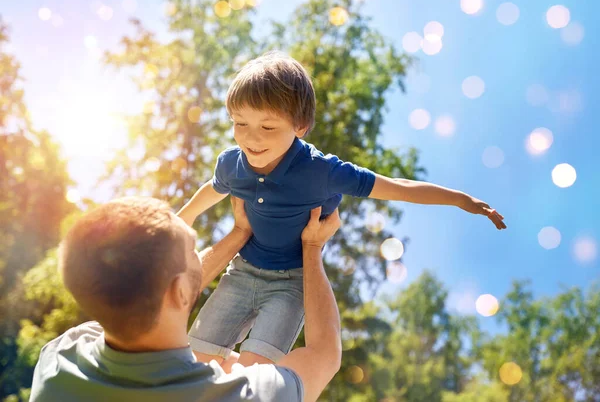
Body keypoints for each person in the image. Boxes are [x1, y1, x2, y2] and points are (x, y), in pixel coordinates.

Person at [178, 51, 507, 368]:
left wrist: (461, 200)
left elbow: (397, 186)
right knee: (197, 360)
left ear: (300, 126)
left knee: (256, 371)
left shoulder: (322, 172)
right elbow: (213, 189)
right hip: (242, 271)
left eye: (267, 127)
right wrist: (183, 218)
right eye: (239, 123)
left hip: (291, 283)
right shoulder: (233, 164)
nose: (251, 138)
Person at [30, 196, 343, 402]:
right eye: (193, 248)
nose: (199, 254)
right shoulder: (240, 395)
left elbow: (151, 289)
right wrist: (312, 249)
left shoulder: (60, 358)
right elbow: (324, 353)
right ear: (180, 290)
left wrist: (239, 233)